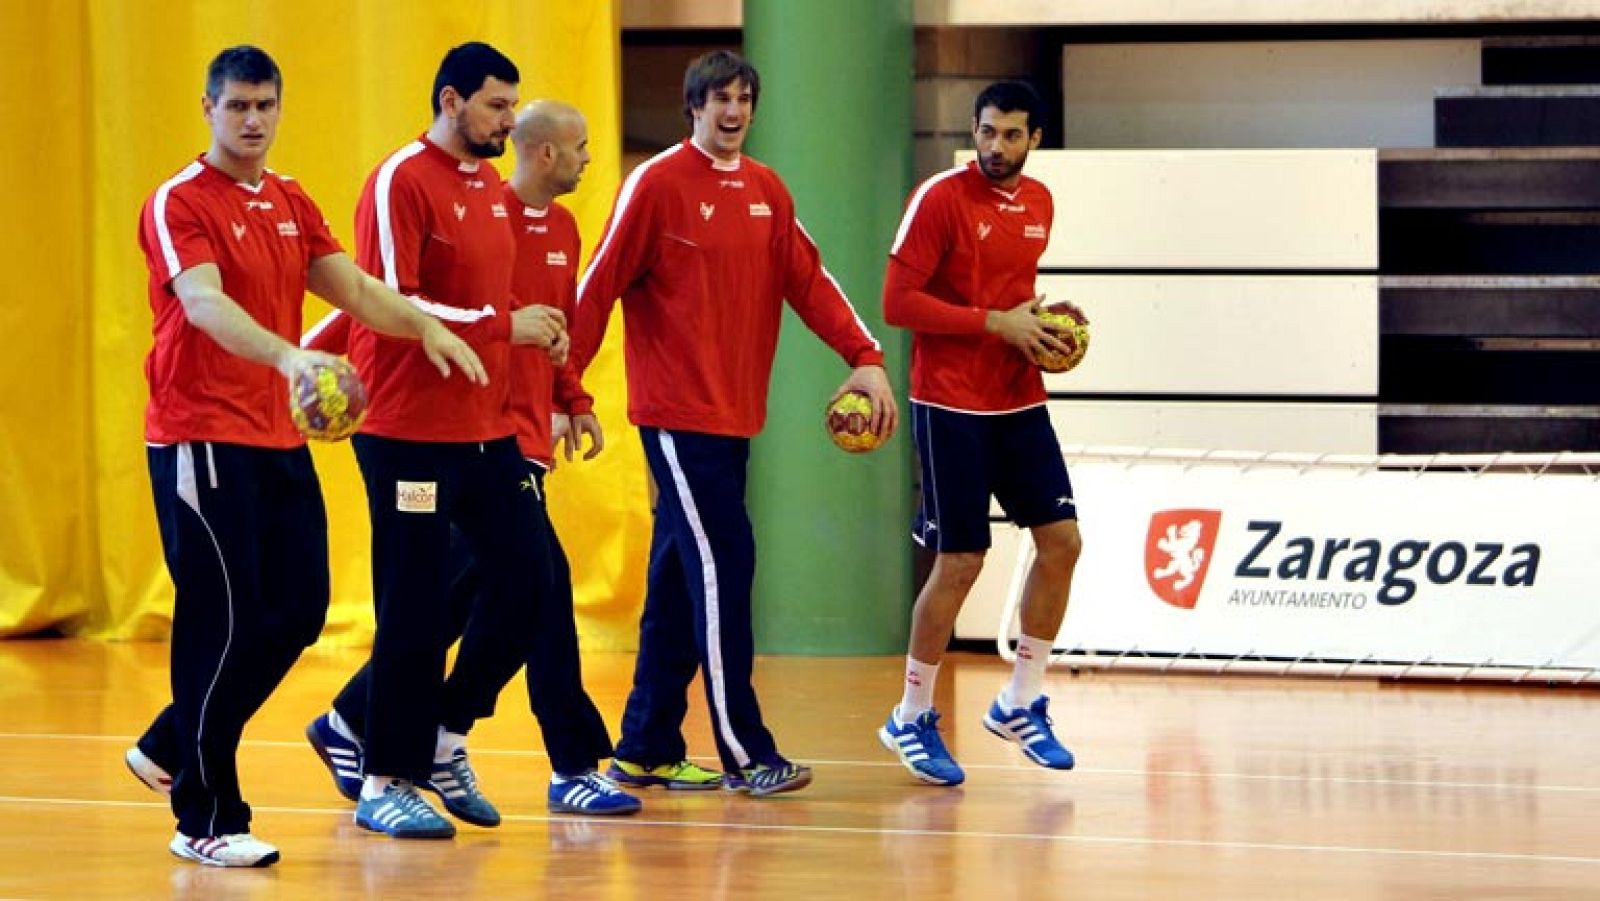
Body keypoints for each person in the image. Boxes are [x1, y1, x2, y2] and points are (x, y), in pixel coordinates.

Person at [123, 45, 486, 867]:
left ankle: (171, 741)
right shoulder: (180, 201)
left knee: (297, 609)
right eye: (238, 106)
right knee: (219, 621)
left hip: (277, 440)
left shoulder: (287, 198)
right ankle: (205, 815)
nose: (252, 120)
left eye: (265, 106)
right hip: (200, 435)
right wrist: (293, 359)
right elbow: (204, 303)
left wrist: (428, 325)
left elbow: (353, 287)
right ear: (209, 109)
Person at [568, 50, 898, 798]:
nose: (734, 110)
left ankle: (646, 744)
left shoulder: (765, 191)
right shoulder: (653, 185)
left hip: (734, 417)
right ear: (693, 105)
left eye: (745, 97)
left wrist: (866, 355)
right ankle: (746, 749)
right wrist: (567, 390)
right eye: (720, 97)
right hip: (676, 419)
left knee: (683, 578)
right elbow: (595, 287)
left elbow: (810, 279)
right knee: (727, 564)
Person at [301, 100, 640, 823]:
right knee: (530, 592)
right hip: (473, 435)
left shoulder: (566, 228)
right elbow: (375, 299)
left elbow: (554, 334)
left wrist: (575, 396)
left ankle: (366, 722)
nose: (589, 158)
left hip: (507, 442)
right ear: (543, 153)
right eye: (579, 147)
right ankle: (567, 762)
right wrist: (303, 364)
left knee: (474, 595)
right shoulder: (479, 209)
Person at [336, 41, 575, 839]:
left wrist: (544, 362)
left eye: (512, 106)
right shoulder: (401, 179)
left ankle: (443, 736)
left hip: (484, 429)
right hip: (405, 430)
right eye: (495, 106)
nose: (508, 120)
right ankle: (383, 778)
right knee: (410, 608)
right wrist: (509, 326)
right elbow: (390, 304)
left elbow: (493, 299)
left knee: (528, 581)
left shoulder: (487, 187)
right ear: (450, 101)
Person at [876, 80, 1085, 786]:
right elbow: (897, 301)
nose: (997, 147)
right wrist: (995, 324)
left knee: (1063, 541)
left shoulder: (1041, 204)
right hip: (950, 405)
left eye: (1012, 135)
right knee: (960, 560)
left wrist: (1043, 327)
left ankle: (1019, 701)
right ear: (974, 130)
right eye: (987, 133)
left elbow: (1013, 297)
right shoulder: (939, 197)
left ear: (1037, 140)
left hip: (1018, 398)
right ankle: (909, 713)